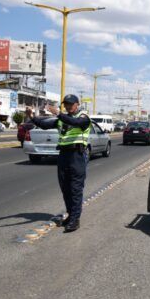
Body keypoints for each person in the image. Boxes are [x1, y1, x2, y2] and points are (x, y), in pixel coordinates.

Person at [26, 95, 90, 232]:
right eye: (66, 104)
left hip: (77, 156)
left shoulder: (83, 117)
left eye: (71, 104)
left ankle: (75, 220)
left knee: (75, 189)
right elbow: (44, 125)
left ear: (77, 104)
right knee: (65, 188)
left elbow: (76, 122)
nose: (68, 106)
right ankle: (71, 215)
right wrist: (31, 116)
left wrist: (59, 114)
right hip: (63, 156)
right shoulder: (61, 119)